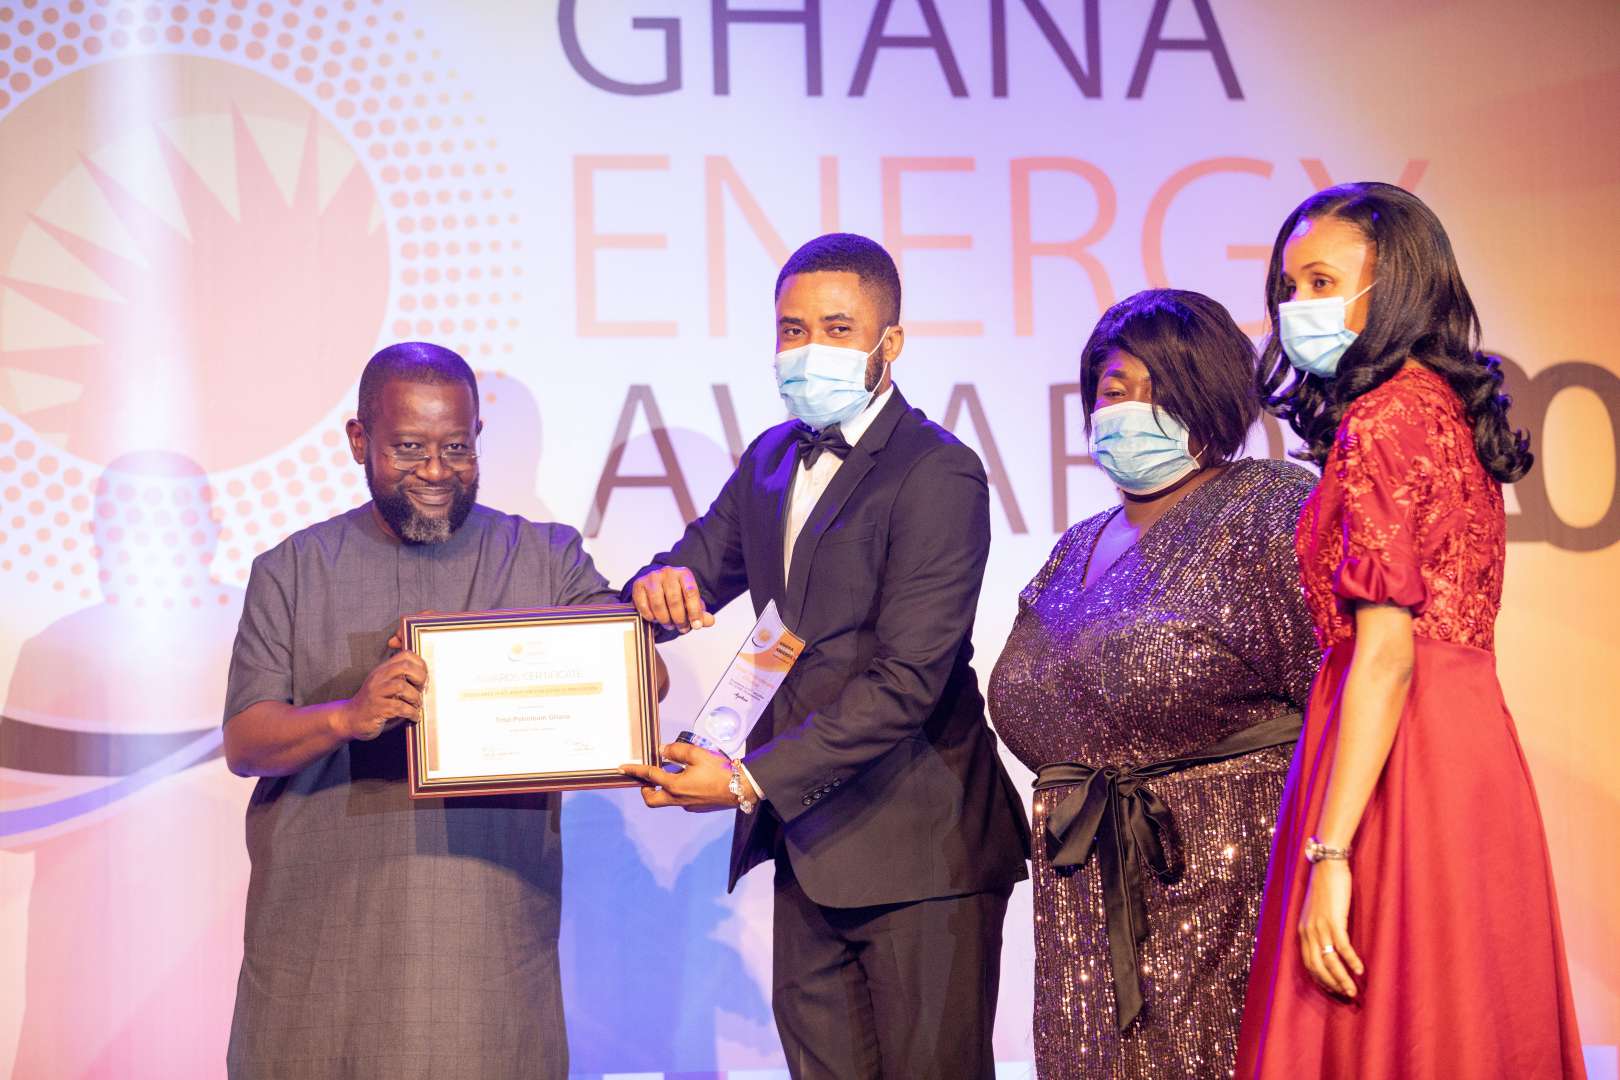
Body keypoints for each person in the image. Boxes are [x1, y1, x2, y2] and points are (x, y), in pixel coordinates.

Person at [618, 233, 1031, 1080]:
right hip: (809, 843)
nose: (810, 350)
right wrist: (653, 588)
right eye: (792, 329)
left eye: (838, 329)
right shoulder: (771, 458)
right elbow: (689, 574)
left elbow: (907, 683)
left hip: (922, 846)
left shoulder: (938, 472)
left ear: (890, 343)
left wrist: (745, 781)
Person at [1234, 182, 1585, 1079]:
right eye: (1288, 286)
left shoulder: (1383, 417)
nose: (1296, 306)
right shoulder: (1442, 406)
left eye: (1321, 281)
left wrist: (1330, 851)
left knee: (1378, 1014)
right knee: (1462, 1015)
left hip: (1395, 753)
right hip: (1469, 749)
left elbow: (1386, 657)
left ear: (1391, 284)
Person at [221, 342, 621, 1079]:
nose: (436, 471)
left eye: (457, 448)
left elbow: (636, 684)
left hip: (488, 935)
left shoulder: (545, 558)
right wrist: (347, 716)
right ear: (359, 440)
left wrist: (632, 639)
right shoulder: (292, 569)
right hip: (324, 939)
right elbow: (246, 741)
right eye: (409, 447)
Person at [987, 289, 1320, 1077]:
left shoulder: (1271, 506)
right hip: (1081, 900)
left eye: (1159, 389)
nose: (1129, 410)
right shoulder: (1075, 547)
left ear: (1214, 397)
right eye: (1114, 389)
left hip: (1226, 894)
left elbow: (1336, 699)